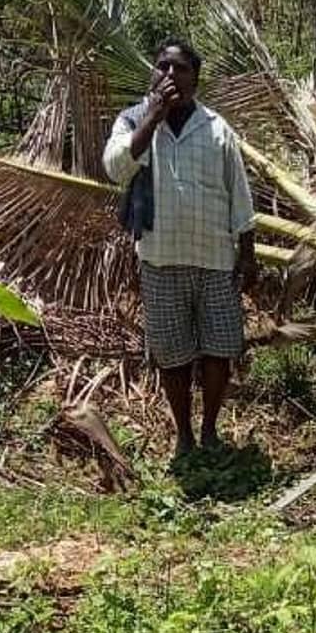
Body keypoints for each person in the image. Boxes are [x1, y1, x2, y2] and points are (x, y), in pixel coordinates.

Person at [103, 36, 257, 458]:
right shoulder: (133, 120)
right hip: (160, 259)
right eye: (162, 67)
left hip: (215, 259)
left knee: (218, 351)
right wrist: (152, 118)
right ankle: (183, 434)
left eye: (180, 69)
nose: (169, 75)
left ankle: (209, 430)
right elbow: (115, 169)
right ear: (153, 73)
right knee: (171, 356)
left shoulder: (217, 128)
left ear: (196, 80)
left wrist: (248, 255)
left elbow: (239, 195)